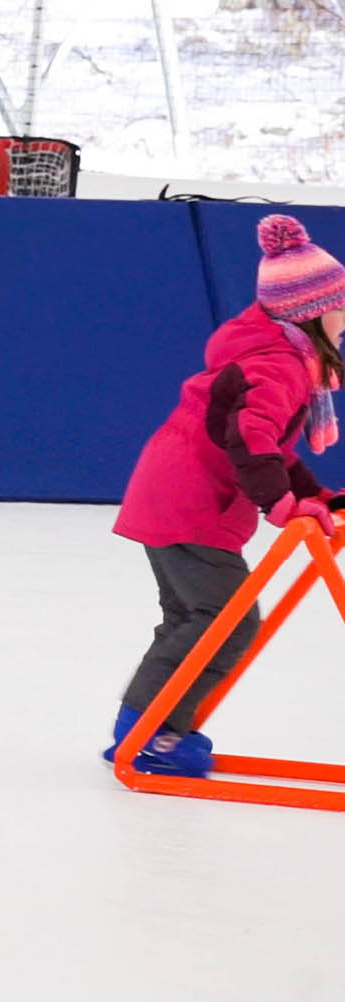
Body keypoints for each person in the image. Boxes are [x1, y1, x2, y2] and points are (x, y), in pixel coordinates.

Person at [107, 213, 345, 778]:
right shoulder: (280, 364)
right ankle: (149, 737)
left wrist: (314, 495)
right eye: (341, 306)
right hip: (189, 504)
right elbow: (250, 438)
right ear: (310, 313)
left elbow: (274, 450)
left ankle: (147, 729)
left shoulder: (282, 356)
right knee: (224, 620)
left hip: (176, 496)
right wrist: (282, 504)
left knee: (192, 617)